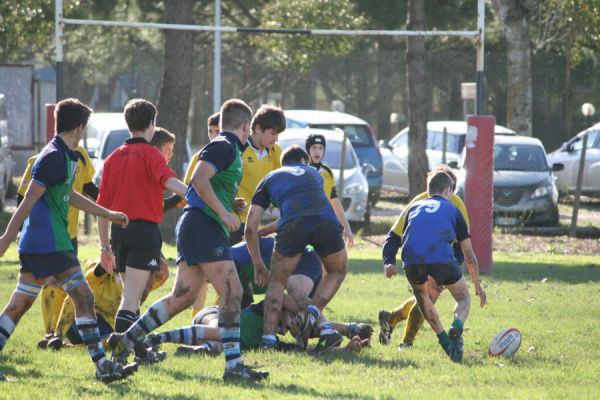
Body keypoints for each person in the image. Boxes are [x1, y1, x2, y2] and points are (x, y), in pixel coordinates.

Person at [107, 99, 269, 382]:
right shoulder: (224, 145)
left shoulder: (228, 147)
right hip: (204, 226)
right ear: (245, 126)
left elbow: (211, 184)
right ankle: (233, 367)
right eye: (250, 128)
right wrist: (223, 213)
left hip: (197, 225)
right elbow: (198, 179)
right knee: (232, 292)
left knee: (182, 297)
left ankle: (126, 338)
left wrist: (229, 204)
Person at [0, 98, 135, 383]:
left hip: (45, 242)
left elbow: (70, 194)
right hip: (49, 242)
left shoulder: (68, 155)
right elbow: (26, 204)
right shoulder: (51, 157)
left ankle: (102, 368)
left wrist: (107, 212)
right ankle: (102, 367)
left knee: (19, 304)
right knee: (84, 296)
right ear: (79, 127)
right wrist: (5, 239)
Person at [96, 99, 187, 364]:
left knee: (131, 296)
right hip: (144, 231)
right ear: (151, 124)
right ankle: (117, 358)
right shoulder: (150, 154)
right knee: (130, 297)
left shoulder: (113, 158)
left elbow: (102, 208)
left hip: (119, 232)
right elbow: (168, 181)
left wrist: (104, 247)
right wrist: (194, 193)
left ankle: (140, 352)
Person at [244, 145, 348, 351]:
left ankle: (268, 340)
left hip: (293, 225)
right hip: (325, 222)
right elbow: (308, 207)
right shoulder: (314, 174)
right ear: (304, 162)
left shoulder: (270, 178)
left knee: (276, 282)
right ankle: (312, 314)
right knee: (337, 270)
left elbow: (249, 228)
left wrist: (257, 263)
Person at [385, 170, 486, 362]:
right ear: (448, 190)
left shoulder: (414, 206)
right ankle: (456, 326)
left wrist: (389, 262)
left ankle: (446, 344)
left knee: (424, 299)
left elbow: (401, 237)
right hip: (442, 259)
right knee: (463, 298)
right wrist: (477, 286)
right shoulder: (453, 208)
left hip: (411, 261)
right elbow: (469, 255)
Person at [17, 145, 99, 349]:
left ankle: (60, 335)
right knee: (51, 288)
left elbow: (89, 188)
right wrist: (19, 231)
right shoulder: (41, 160)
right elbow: (23, 197)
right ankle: (51, 332)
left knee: (71, 291)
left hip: (67, 235)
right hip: (46, 238)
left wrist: (110, 209)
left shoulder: (79, 156)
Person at [41, 257, 168, 350]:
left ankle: (70, 347)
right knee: (53, 286)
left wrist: (153, 265)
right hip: (77, 322)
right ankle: (51, 335)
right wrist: (58, 334)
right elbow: (72, 301)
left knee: (115, 339)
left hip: (107, 326)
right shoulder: (97, 271)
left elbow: (162, 275)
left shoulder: (137, 274)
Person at [229, 104, 286, 245]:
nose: (276, 139)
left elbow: (282, 182)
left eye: (278, 134)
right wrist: (230, 202)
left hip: (258, 221)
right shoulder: (238, 148)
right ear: (258, 128)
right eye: (273, 133)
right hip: (234, 221)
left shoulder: (275, 152)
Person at [305, 133, 354, 248]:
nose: (317, 151)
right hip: (304, 226)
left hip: (323, 226)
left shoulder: (327, 172)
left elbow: (335, 201)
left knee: (326, 263)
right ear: (308, 149)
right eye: (314, 148)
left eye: (320, 148)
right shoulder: (303, 170)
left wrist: (346, 228)